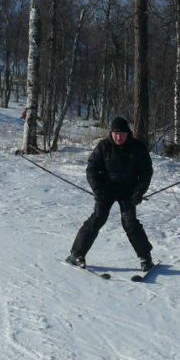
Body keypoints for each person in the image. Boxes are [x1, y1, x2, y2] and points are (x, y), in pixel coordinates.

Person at [66, 116, 155, 271]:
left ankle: (146, 258)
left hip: (128, 191)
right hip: (106, 190)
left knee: (130, 223)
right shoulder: (103, 146)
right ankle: (76, 254)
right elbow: (91, 169)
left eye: (121, 133)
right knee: (98, 218)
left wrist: (139, 192)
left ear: (127, 133)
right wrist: (98, 190)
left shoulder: (137, 148)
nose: (118, 137)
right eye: (115, 133)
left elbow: (146, 172)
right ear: (111, 133)